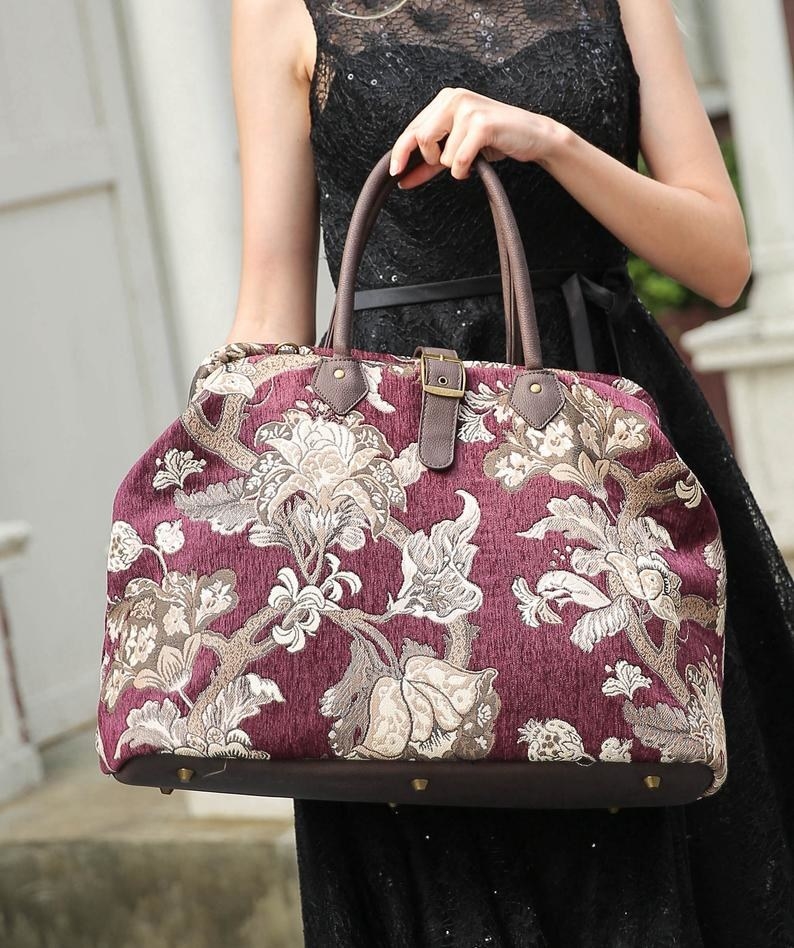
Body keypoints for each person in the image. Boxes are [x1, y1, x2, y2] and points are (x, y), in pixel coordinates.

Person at [226, 1, 794, 944]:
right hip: (400, 508)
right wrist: (220, 496)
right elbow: (270, 302)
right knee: (453, 844)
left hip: (609, 477)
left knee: (660, 822)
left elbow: (721, 261)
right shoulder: (283, 10)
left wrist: (552, 142)